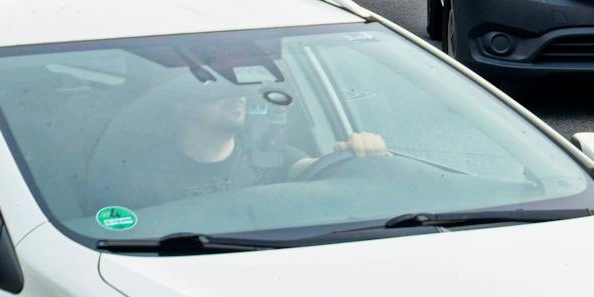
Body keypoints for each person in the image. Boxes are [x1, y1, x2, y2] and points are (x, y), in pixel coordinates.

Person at [88, 74, 386, 210]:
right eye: (215, 91)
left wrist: (360, 151)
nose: (237, 97)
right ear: (182, 107)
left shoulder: (269, 157)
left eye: (238, 89)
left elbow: (316, 169)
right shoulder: (143, 177)